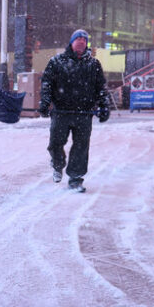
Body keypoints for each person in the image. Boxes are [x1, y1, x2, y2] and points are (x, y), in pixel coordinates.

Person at [37, 29, 110, 192]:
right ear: (71, 42)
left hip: (84, 113)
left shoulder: (94, 64)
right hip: (61, 112)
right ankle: (57, 164)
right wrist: (45, 103)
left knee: (81, 147)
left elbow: (101, 87)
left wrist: (104, 105)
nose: (81, 42)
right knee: (55, 144)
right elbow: (47, 83)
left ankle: (76, 179)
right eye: (78, 39)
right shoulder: (57, 61)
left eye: (84, 40)